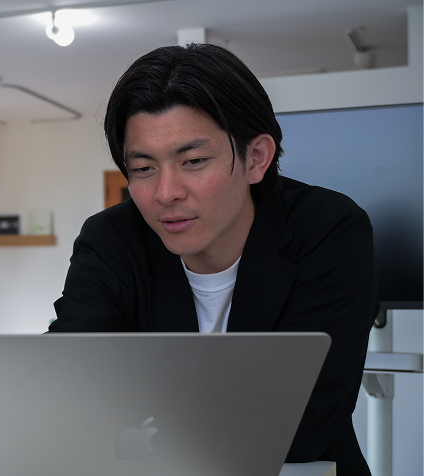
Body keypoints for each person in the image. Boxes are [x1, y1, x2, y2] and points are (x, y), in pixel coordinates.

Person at [49, 44, 378, 476]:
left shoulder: (327, 229)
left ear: (256, 158)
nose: (166, 193)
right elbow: (66, 384)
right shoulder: (111, 238)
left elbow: (303, 423)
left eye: (194, 161)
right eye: (144, 168)